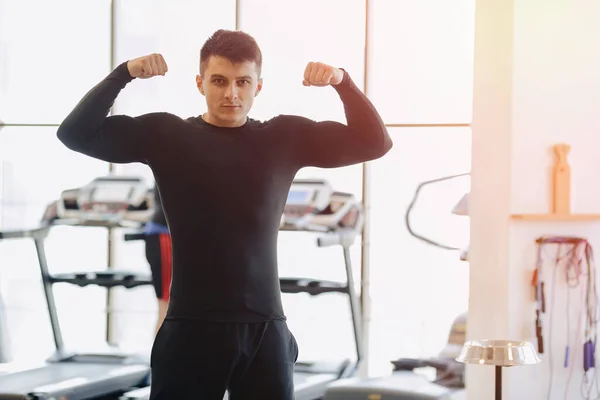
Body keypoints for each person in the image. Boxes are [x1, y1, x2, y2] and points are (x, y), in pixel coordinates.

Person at [57, 29, 392, 400]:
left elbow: (375, 142)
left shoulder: (285, 137)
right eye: (219, 81)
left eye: (242, 82)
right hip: (190, 330)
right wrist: (124, 73)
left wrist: (341, 82)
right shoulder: (165, 135)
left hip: (265, 330)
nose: (231, 93)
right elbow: (74, 133)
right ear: (200, 83)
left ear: (258, 87)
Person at [143, 182, 171, 335]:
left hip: (169, 236)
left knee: (172, 307)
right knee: (166, 307)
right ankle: (161, 359)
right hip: (163, 237)